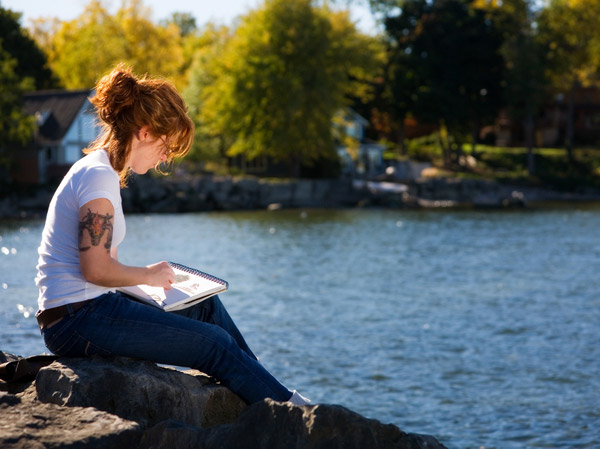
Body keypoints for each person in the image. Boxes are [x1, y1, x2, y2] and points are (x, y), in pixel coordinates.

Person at [34, 64, 309, 406]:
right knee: (213, 345)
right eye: (166, 146)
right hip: (75, 321)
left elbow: (104, 271)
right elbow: (96, 271)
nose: (166, 158)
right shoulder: (97, 177)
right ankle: (290, 411)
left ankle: (268, 389)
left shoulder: (100, 172)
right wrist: (148, 274)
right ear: (145, 132)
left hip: (87, 309)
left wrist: (152, 288)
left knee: (205, 306)